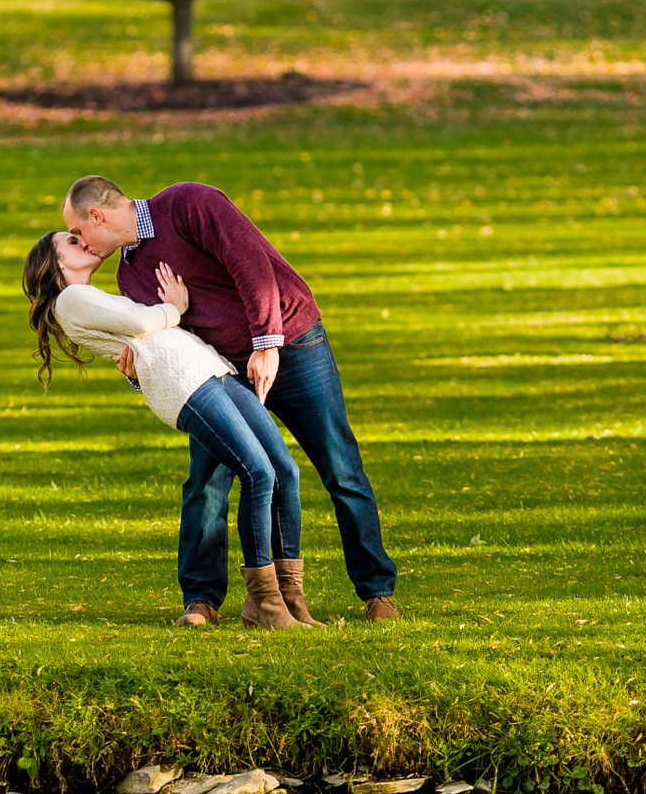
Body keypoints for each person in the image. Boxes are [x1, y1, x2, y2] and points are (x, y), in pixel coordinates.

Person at [63, 176, 399, 628]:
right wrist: (136, 372)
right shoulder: (131, 275)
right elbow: (168, 341)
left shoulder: (189, 203)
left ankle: (377, 592)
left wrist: (266, 343)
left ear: (97, 216)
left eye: (79, 232)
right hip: (220, 370)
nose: (80, 243)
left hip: (291, 343)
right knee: (206, 481)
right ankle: (202, 599)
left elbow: (251, 264)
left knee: (340, 467)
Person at [21, 230, 321, 629]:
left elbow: (139, 338)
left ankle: (290, 599)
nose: (85, 243)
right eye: (72, 243)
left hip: (213, 371)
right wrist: (174, 307)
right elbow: (142, 322)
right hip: (185, 384)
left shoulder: (93, 296)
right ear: (55, 264)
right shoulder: (71, 299)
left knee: (285, 471)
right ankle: (264, 604)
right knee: (258, 473)